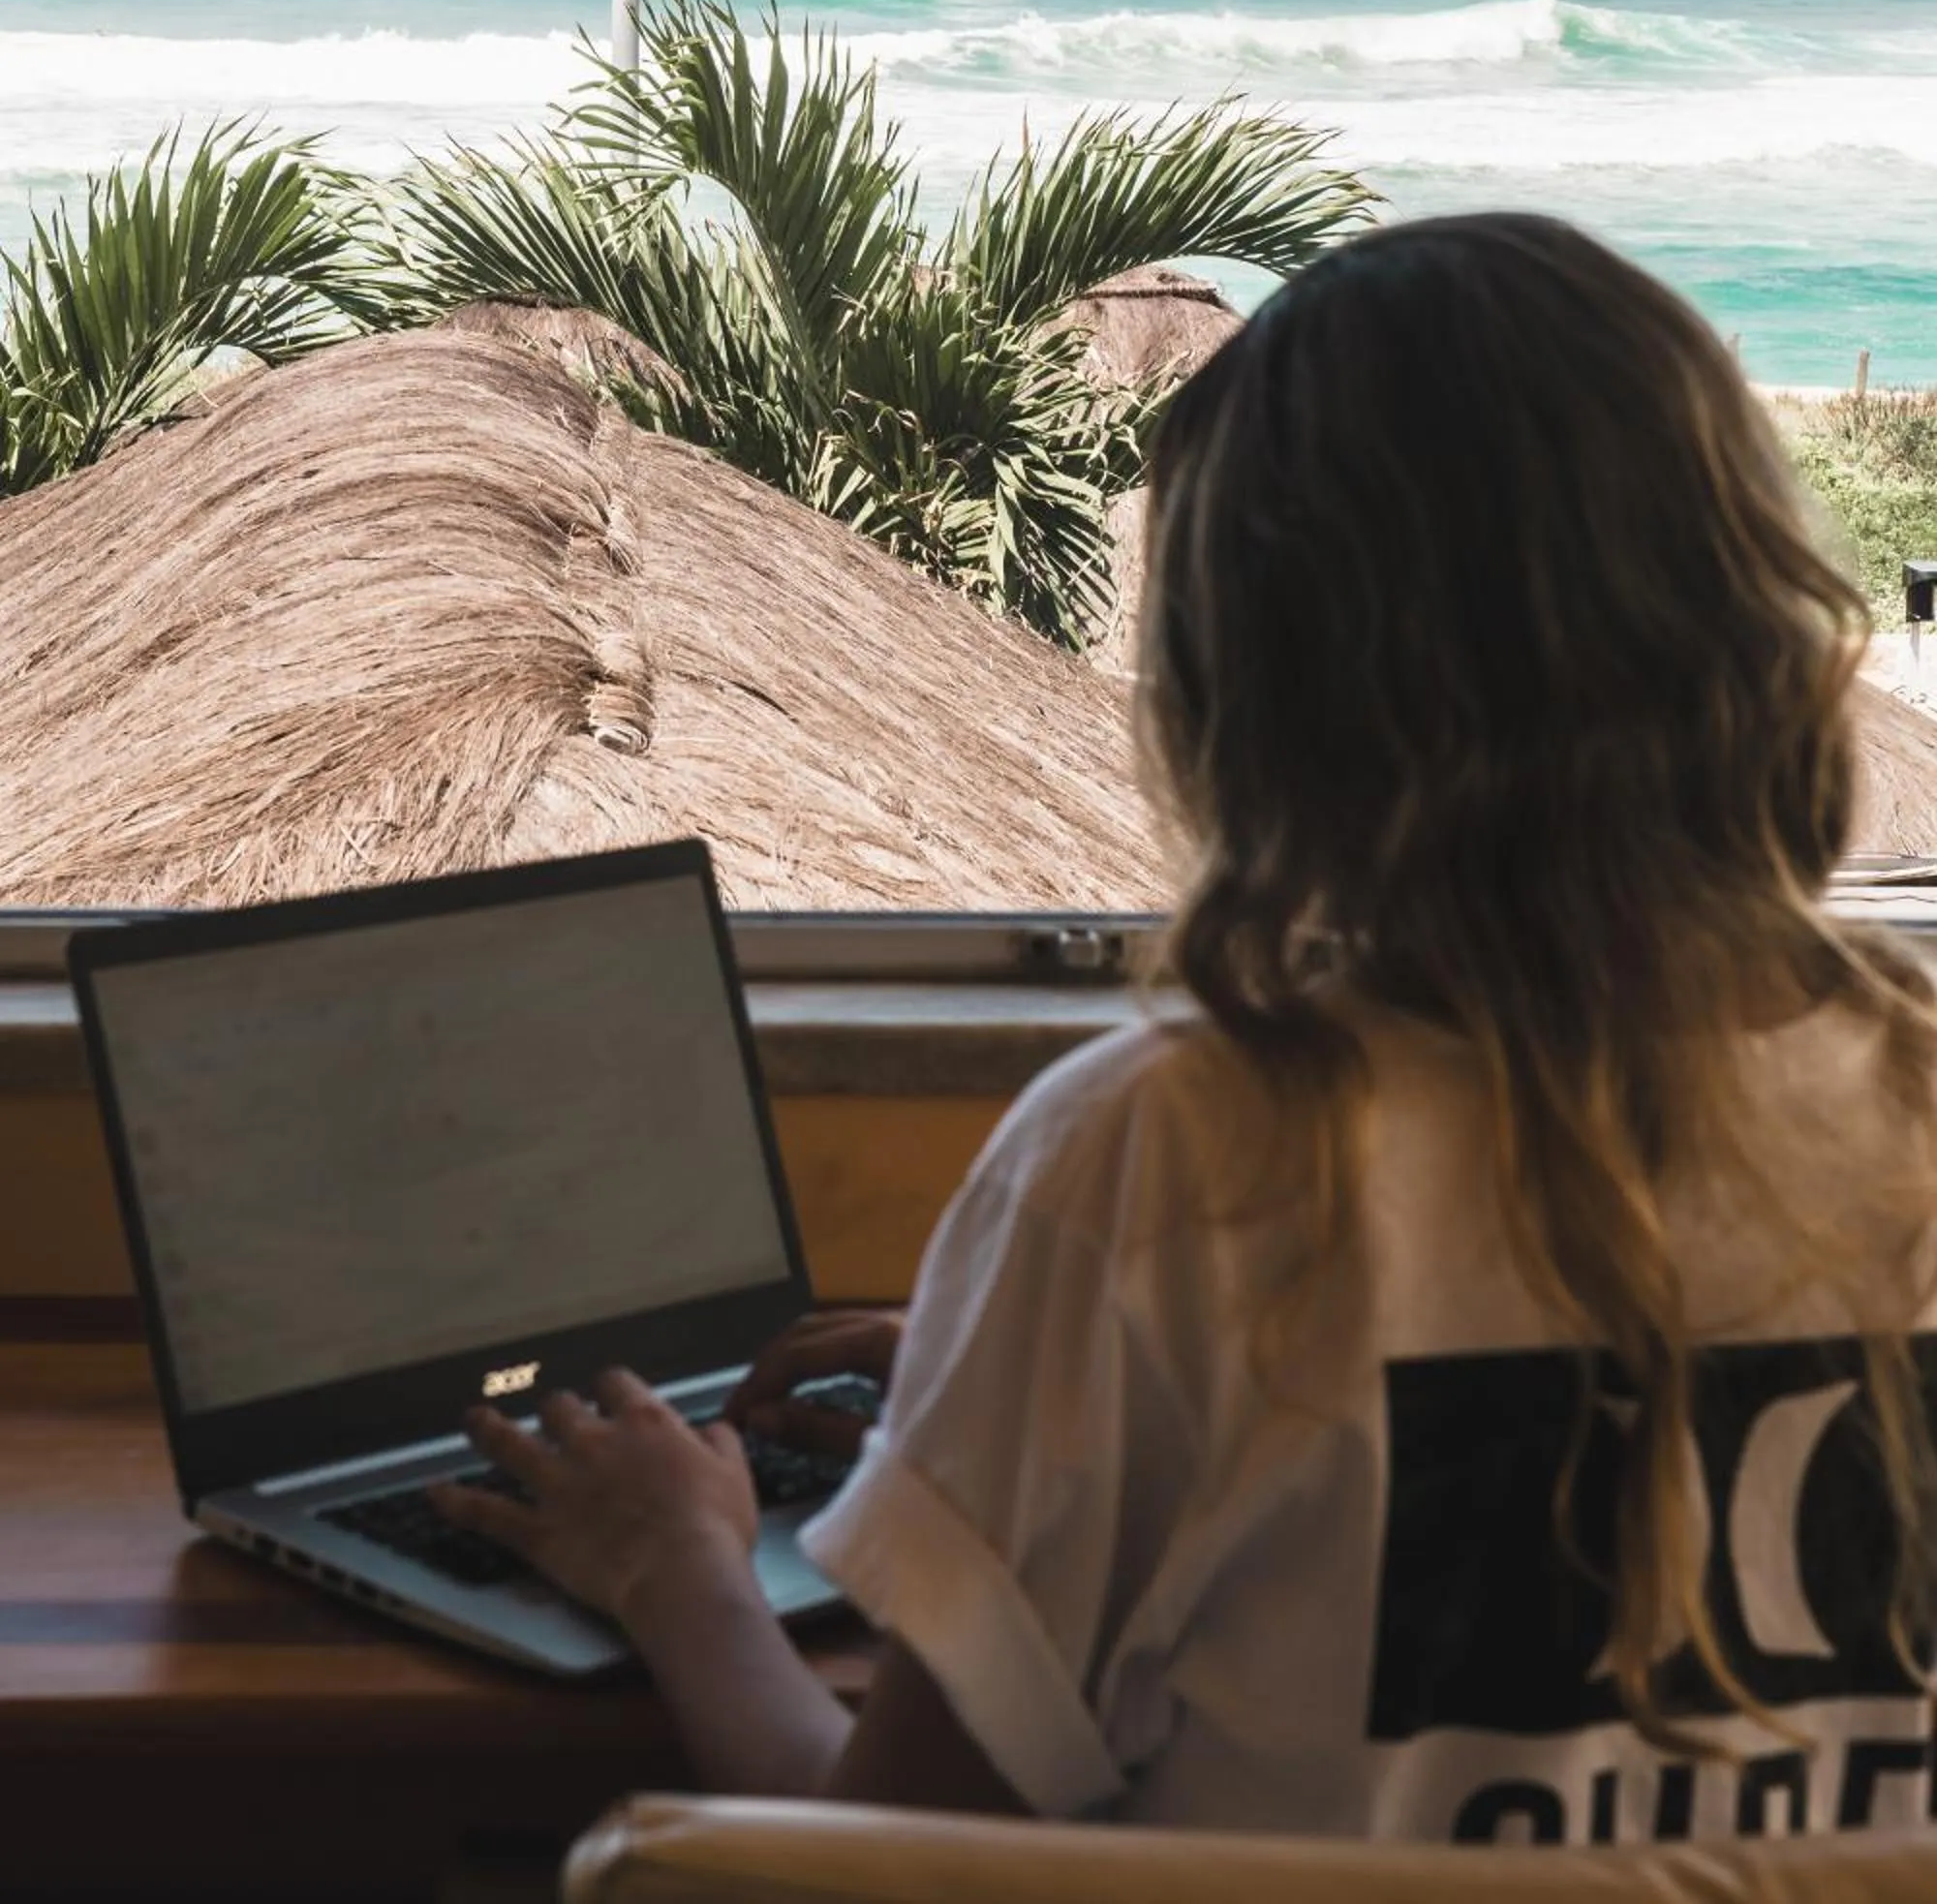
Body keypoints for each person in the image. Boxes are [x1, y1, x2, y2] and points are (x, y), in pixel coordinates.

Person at [437, 213, 1937, 1844]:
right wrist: (1019, 1389)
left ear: (1256, 690)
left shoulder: (1170, 1163)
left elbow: (898, 1867)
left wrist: (680, 1572)